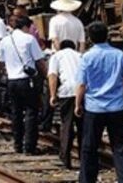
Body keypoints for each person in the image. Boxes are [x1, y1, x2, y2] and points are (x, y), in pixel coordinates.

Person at [75, 21, 123, 183]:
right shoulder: (119, 55)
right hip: (116, 108)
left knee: (89, 147)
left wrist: (77, 104)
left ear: (90, 37)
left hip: (94, 108)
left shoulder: (87, 57)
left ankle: (87, 180)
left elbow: (81, 84)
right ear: (107, 36)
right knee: (121, 148)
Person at [0, 16, 47, 154]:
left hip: (12, 81)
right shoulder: (29, 39)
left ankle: (17, 144)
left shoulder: (5, 41)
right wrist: (47, 75)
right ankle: (30, 147)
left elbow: (0, 62)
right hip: (27, 80)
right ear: (26, 26)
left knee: (16, 113)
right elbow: (39, 61)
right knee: (31, 112)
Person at [48, 39, 82, 169]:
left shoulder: (56, 56)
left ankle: (65, 159)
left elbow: (52, 76)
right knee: (82, 127)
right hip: (81, 91)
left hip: (66, 92)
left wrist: (52, 95)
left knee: (66, 125)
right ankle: (84, 159)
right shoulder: (80, 55)